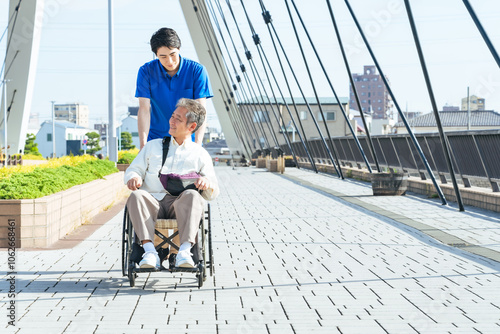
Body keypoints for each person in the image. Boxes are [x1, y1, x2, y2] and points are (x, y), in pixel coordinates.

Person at [124, 98, 219, 269]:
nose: (172, 121)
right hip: (152, 201)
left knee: (193, 195)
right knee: (136, 196)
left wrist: (207, 182)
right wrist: (134, 177)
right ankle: (149, 252)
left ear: (191, 127)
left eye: (178, 119)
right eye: (173, 116)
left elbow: (214, 189)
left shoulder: (200, 154)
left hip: (180, 205)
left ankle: (184, 252)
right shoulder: (153, 146)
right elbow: (134, 169)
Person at [136, 27, 213, 149]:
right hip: (156, 141)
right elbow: (144, 109)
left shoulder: (197, 71)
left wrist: (197, 146)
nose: (170, 61)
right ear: (156, 55)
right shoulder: (146, 72)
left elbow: (201, 111)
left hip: (189, 141)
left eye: (173, 54)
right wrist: (143, 145)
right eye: (163, 57)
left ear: (179, 49)